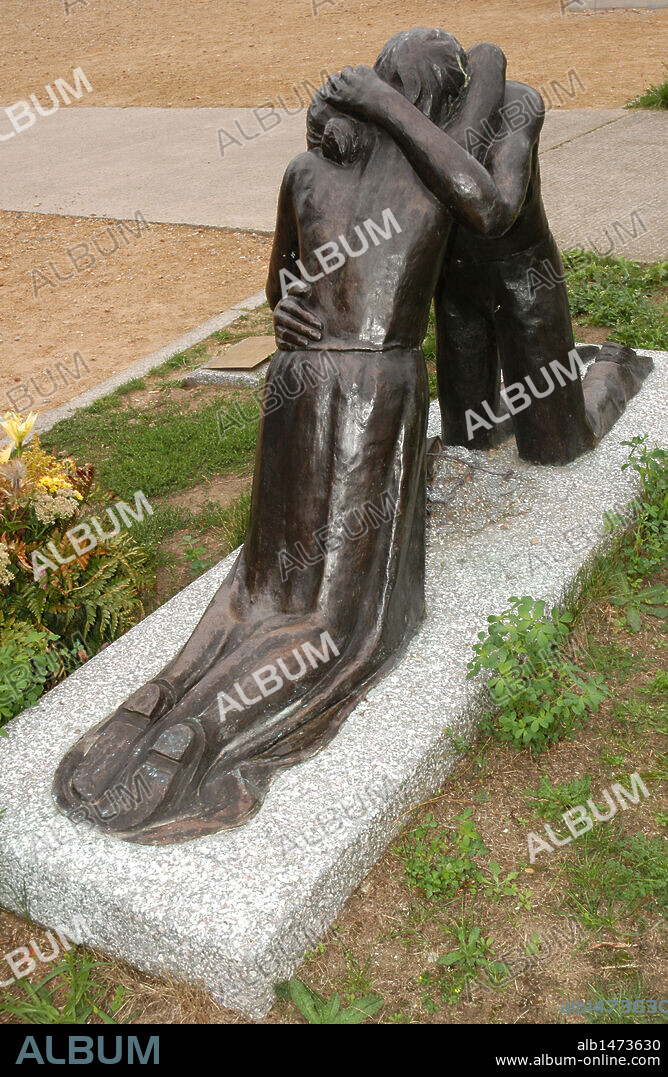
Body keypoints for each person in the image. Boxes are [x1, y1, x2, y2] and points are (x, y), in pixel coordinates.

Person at [53, 32, 500, 844]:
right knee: (337, 620)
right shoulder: (436, 173)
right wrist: (428, 89)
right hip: (372, 385)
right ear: (434, 100)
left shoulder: (305, 171)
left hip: (296, 382)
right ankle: (209, 722)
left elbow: (279, 285)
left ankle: (171, 687)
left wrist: (296, 300)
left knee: (262, 586)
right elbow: (490, 202)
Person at [287, 28, 651, 466]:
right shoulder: (387, 116)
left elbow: (494, 214)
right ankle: (532, 394)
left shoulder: (517, 103)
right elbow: (331, 207)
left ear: (452, 95)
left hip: (522, 276)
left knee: (557, 445)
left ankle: (613, 367)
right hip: (455, 279)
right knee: (470, 437)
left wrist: (392, 107)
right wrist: (292, 301)